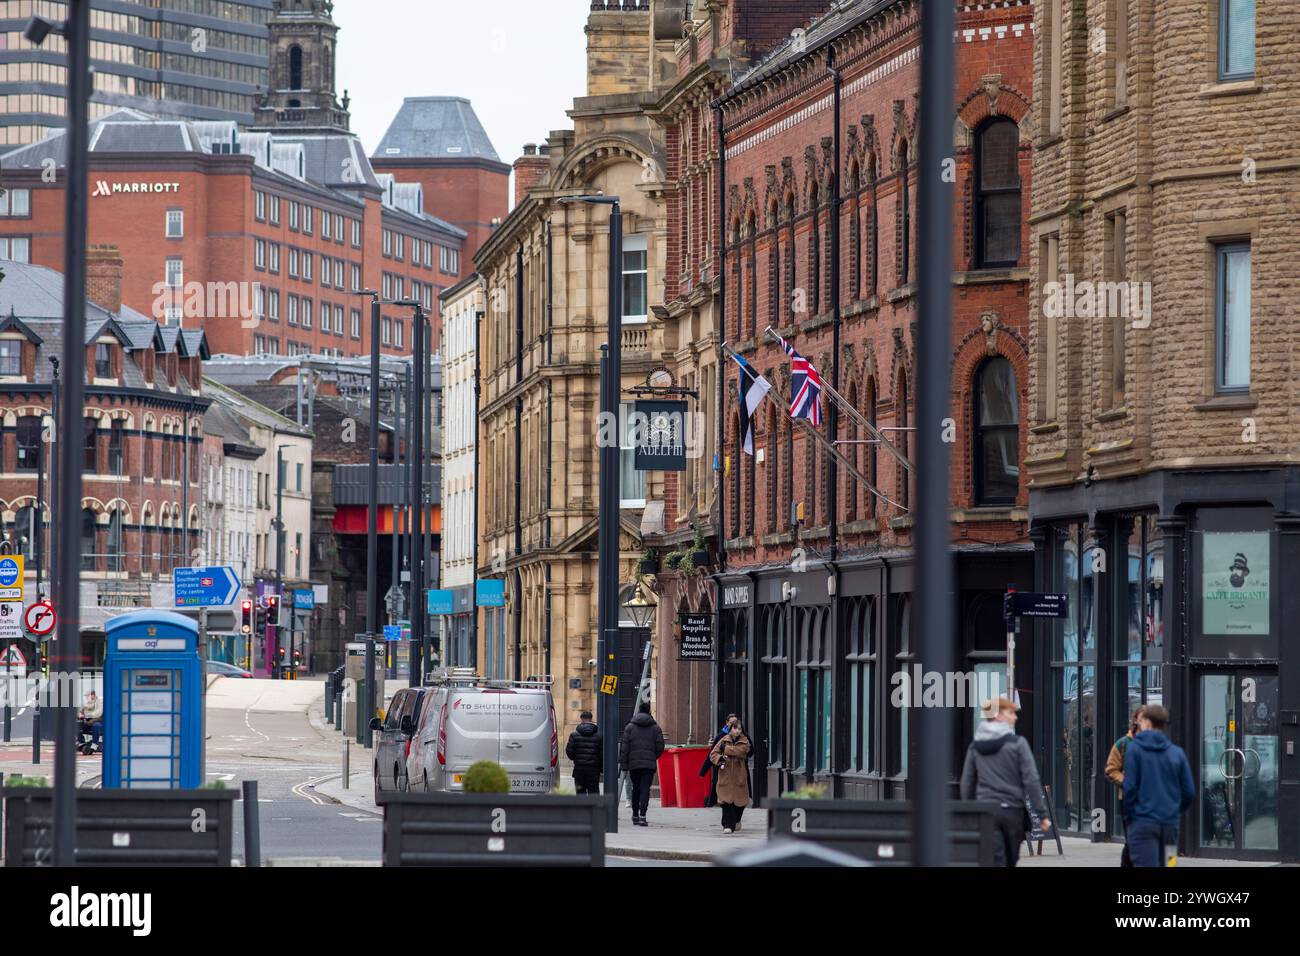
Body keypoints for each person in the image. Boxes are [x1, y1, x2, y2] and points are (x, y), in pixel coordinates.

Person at [960, 697, 1051, 867]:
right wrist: (1042, 815)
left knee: (993, 859)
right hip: (1011, 812)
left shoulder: (975, 746)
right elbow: (1031, 779)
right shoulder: (1018, 744)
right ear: (998, 716)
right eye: (1011, 713)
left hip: (985, 811)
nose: (1015, 717)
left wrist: (970, 811)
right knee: (1010, 860)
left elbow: (967, 783)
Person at [1123, 704, 1195, 868]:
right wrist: (1174, 809)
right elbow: (1189, 792)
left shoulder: (1134, 750)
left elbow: (1130, 788)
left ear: (1147, 723)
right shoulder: (1177, 753)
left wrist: (1131, 817)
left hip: (1143, 824)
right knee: (1170, 864)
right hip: (1170, 826)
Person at [1105, 705, 1146, 867]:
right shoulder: (1123, 744)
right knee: (1132, 840)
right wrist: (1127, 782)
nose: (1146, 723)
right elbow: (1110, 770)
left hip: (1152, 800)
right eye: (1142, 719)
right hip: (1129, 799)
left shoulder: (1157, 744)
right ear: (1136, 720)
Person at [618, 703, 665, 826]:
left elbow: (624, 748)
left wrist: (624, 765)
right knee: (645, 789)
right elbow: (660, 746)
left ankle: (635, 815)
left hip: (634, 764)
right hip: (648, 765)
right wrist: (653, 756)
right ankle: (643, 816)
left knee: (636, 789)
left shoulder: (630, 727)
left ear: (638, 711)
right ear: (649, 711)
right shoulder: (655, 728)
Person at [709, 719, 752, 833]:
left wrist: (725, 750)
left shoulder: (745, 741)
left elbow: (741, 752)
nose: (737, 731)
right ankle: (727, 825)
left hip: (739, 776)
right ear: (731, 729)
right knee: (726, 801)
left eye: (739, 729)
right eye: (735, 728)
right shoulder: (724, 740)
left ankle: (737, 820)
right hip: (725, 776)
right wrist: (720, 758)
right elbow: (713, 754)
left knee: (740, 803)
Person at [699, 714, 738, 808]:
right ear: (727, 723)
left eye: (735, 722)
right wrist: (703, 771)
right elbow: (712, 754)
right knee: (717, 783)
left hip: (735, 767)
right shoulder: (721, 736)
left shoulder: (740, 736)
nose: (733, 725)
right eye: (731, 722)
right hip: (721, 765)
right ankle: (713, 802)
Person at [565, 710, 603, 794]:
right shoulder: (599, 736)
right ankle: (594, 807)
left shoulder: (574, 735)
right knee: (594, 791)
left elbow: (569, 752)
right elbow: (601, 754)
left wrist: (576, 758)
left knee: (580, 792)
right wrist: (601, 768)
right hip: (594, 769)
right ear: (591, 719)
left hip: (579, 769)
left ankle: (582, 807)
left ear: (581, 720)